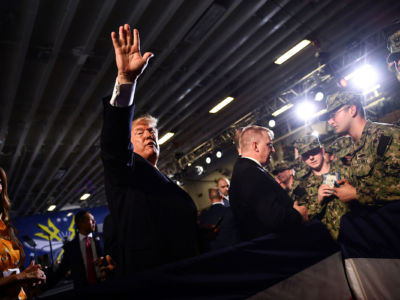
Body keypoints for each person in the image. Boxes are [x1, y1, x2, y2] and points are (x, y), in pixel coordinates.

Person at [101, 25, 198, 275]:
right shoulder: (125, 172)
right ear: (128, 142)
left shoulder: (161, 179)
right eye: (140, 132)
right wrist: (126, 82)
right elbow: (113, 146)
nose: (149, 135)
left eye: (152, 131)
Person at [229, 126, 307, 241]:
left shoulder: (246, 170)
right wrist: (297, 215)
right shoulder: (251, 174)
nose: (273, 150)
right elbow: (274, 218)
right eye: (269, 145)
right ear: (255, 146)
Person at [321, 91, 400, 206]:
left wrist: (357, 193)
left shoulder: (385, 136)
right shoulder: (356, 149)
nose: (330, 122)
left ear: (352, 110)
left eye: (333, 115)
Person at [0, 167, 46, 299]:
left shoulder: (5, 227)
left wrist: (27, 277)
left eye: (0, 182)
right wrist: (21, 277)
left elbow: (10, 274)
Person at [292, 136, 349, 240]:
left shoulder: (343, 169)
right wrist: (318, 200)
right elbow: (304, 218)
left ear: (322, 150)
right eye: (306, 155)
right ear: (302, 159)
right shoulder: (302, 186)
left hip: (357, 229)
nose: (311, 158)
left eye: (313, 152)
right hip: (331, 241)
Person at [53, 210, 105, 289]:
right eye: (91, 220)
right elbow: (62, 271)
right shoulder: (70, 247)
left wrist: (105, 260)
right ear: (80, 223)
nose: (95, 222)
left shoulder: (102, 238)